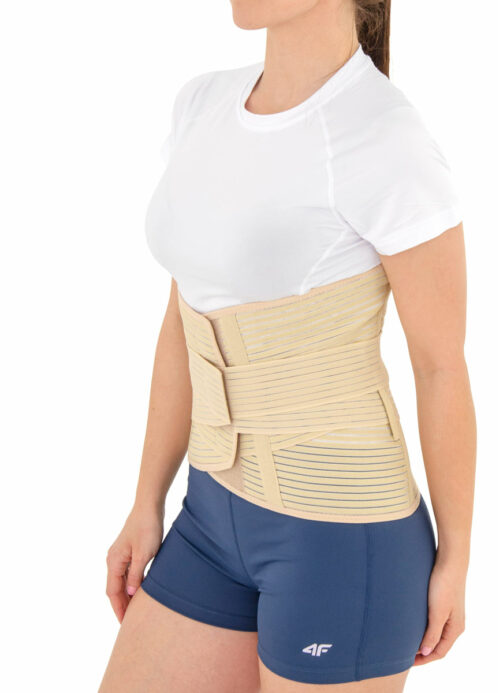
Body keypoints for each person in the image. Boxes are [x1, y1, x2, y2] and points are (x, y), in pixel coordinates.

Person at [99, 1, 476, 691]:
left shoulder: (385, 137)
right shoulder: (202, 104)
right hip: (209, 517)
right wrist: (146, 499)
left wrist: (455, 557)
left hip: (343, 537)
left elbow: (440, 366)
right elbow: (184, 319)